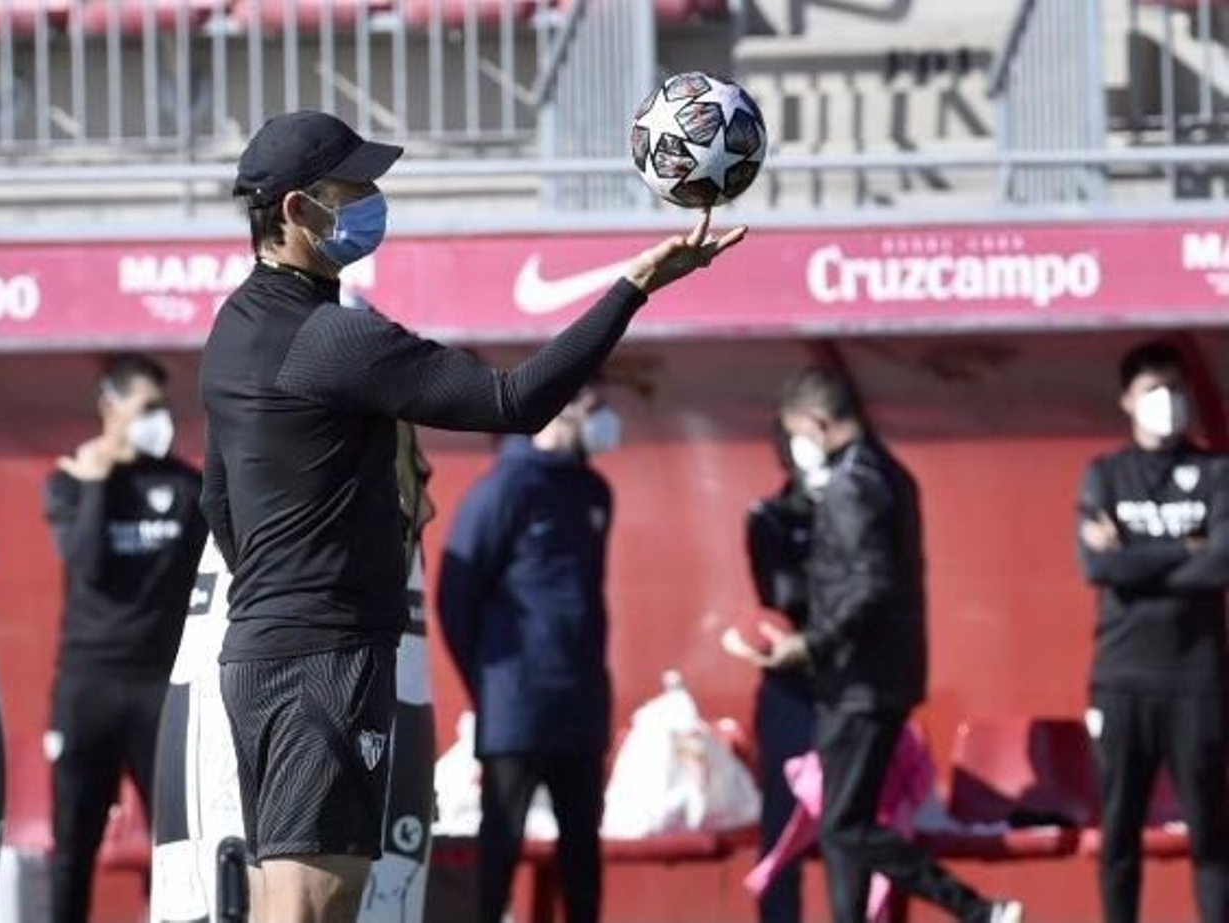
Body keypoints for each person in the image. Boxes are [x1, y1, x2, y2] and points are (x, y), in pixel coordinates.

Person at [199, 109, 746, 923]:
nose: (372, 201)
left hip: (259, 650)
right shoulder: (333, 338)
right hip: (326, 654)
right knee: (316, 904)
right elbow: (514, 401)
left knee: (287, 895)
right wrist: (633, 288)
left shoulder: (233, 329)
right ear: (296, 209)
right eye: (354, 188)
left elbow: (218, 501)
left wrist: (288, 586)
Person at [752, 366, 1023, 923]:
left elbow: (869, 584)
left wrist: (811, 644)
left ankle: (977, 909)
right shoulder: (889, 472)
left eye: (795, 432)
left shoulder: (852, 484)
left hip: (859, 683)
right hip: (879, 678)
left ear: (815, 423)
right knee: (846, 822)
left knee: (844, 824)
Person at [438, 385, 622, 923]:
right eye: (594, 410)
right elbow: (456, 596)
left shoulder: (594, 490)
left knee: (582, 846)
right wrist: (488, 682)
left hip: (581, 701)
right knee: (502, 840)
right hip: (516, 703)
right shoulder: (502, 490)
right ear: (561, 413)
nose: (606, 421)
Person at [43, 354, 209, 923]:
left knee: (179, 847)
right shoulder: (70, 482)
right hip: (87, 688)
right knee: (73, 847)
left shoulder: (189, 487)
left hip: (160, 688)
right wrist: (96, 483)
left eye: (164, 407)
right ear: (110, 409)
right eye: (147, 407)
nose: (160, 419)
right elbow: (87, 566)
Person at [1076, 341, 1229, 923]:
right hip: (1122, 680)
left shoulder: (1216, 473)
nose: (1167, 401)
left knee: (1211, 831)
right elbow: (1097, 567)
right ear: (1127, 400)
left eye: (1176, 389)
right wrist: (1183, 550)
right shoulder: (1105, 475)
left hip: (1197, 680)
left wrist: (1134, 556)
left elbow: (1221, 564)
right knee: (1119, 831)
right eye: (1153, 390)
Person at [743, 426, 818, 923]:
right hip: (792, 689)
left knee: (856, 830)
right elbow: (782, 594)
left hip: (849, 688)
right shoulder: (769, 517)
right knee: (784, 827)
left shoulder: (859, 508)